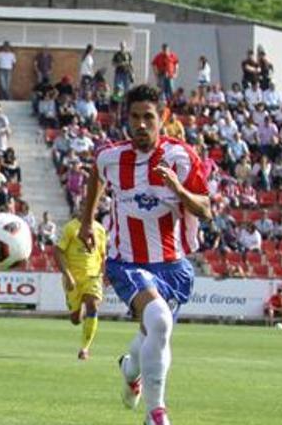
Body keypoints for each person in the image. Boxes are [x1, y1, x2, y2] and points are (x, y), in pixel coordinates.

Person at [79, 84, 211, 425]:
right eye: (134, 117)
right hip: (127, 263)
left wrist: (178, 190)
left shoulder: (181, 157)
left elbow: (207, 210)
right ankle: (156, 415)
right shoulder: (112, 157)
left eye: (148, 117)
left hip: (173, 266)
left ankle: (129, 370)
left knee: (152, 334)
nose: (140, 125)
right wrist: (87, 222)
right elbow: (96, 175)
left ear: (163, 118)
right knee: (160, 322)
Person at [54, 206, 107, 360]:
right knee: (75, 319)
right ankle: (81, 310)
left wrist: (105, 273)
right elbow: (58, 251)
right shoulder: (70, 228)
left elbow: (102, 255)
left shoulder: (100, 230)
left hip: (93, 276)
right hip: (73, 278)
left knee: (93, 304)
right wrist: (67, 274)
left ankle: (84, 348)